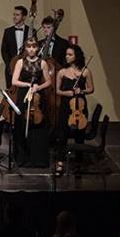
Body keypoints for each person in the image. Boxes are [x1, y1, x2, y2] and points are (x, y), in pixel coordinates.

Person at [11, 38, 53, 168]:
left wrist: (38, 87)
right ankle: (22, 157)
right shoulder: (20, 62)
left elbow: (48, 81)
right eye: (29, 47)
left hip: (37, 97)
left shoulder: (43, 63)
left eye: (34, 47)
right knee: (21, 125)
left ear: (38, 48)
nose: (31, 49)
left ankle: (38, 159)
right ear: (25, 48)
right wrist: (28, 84)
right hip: (24, 95)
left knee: (38, 127)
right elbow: (14, 81)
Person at [54, 44, 95, 174]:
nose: (67, 57)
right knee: (62, 135)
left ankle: (78, 162)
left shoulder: (86, 71)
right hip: (66, 106)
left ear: (76, 56)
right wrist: (67, 93)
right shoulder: (61, 72)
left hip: (80, 106)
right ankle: (60, 162)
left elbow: (91, 89)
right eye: (66, 54)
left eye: (70, 54)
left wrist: (81, 90)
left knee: (79, 135)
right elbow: (57, 90)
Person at [0, 5, 32, 88]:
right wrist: (9, 64)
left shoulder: (31, 31)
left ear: (24, 17)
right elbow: (4, 50)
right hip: (11, 68)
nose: (14, 17)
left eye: (17, 15)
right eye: (14, 14)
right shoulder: (8, 31)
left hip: (26, 67)